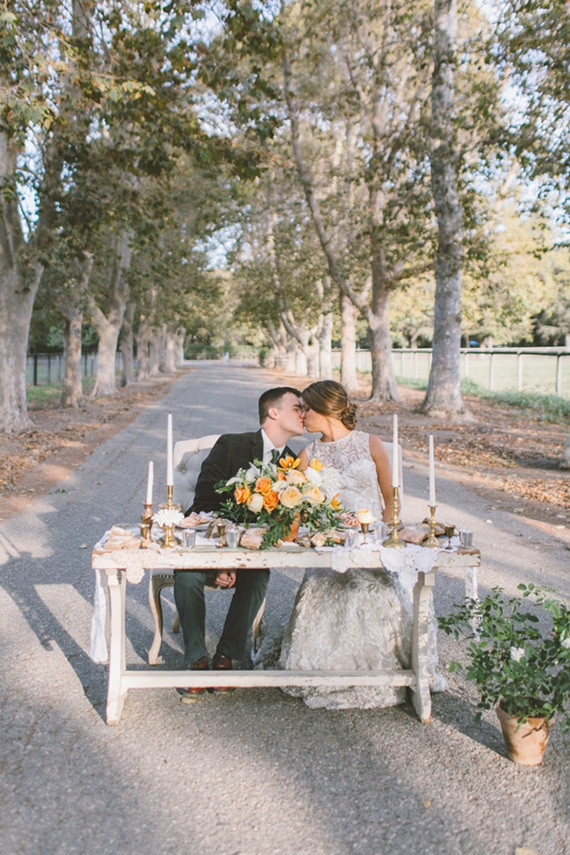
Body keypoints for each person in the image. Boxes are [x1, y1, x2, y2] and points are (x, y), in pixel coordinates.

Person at [278, 380, 438, 710]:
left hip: (374, 539)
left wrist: (383, 531)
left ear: (324, 410)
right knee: (337, 589)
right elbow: (298, 509)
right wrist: (326, 527)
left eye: (306, 408)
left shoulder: (371, 444)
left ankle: (403, 672)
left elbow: (391, 499)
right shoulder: (309, 455)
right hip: (333, 544)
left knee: (379, 593)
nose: (302, 415)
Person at [175, 386, 304, 702]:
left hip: (254, 552)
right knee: (186, 573)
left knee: (260, 574)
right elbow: (204, 503)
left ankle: (227, 655)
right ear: (274, 412)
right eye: (297, 407)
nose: (304, 413)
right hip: (211, 540)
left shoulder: (294, 463)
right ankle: (195, 659)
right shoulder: (231, 444)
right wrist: (224, 556)